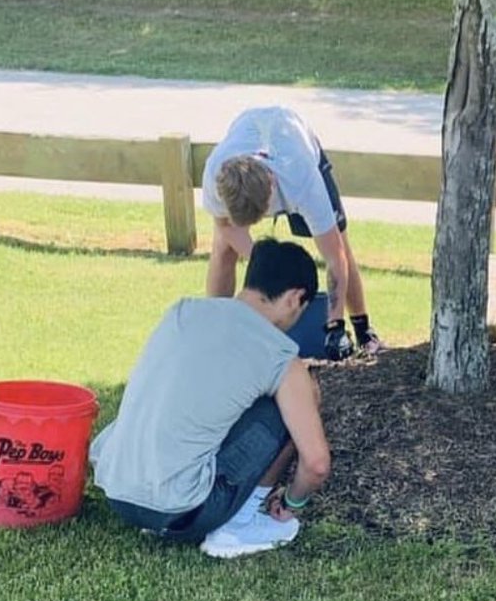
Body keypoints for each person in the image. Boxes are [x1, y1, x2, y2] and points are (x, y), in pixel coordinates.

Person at [89, 238, 333, 559]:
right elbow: (316, 463)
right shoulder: (280, 354)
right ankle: (241, 525)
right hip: (184, 512)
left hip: (116, 492)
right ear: (295, 298)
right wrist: (292, 502)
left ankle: (158, 503)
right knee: (299, 399)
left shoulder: (182, 312)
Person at [202, 105, 381, 360]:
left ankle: (363, 331)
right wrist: (266, 264)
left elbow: (334, 256)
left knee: (340, 242)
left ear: (272, 184)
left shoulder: (301, 179)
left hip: (294, 136)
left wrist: (334, 324)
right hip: (248, 127)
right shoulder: (216, 176)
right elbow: (225, 226)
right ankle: (215, 331)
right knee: (222, 246)